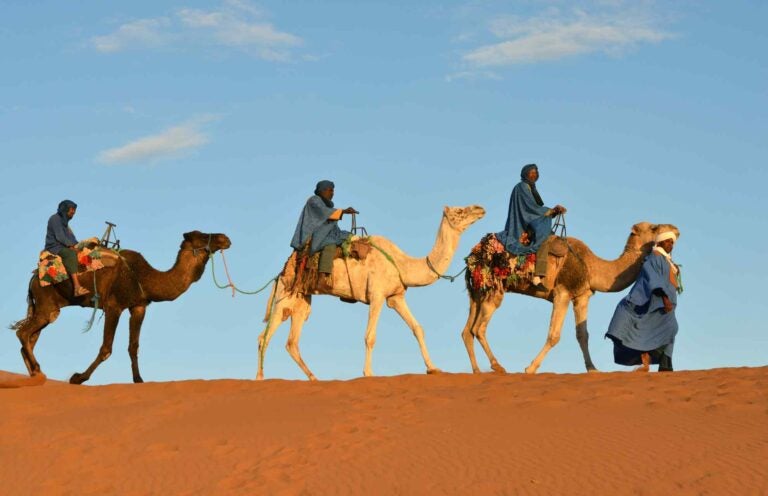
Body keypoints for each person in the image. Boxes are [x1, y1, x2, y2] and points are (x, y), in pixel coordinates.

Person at [605, 229, 682, 372]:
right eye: (667, 241)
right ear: (659, 242)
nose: (670, 244)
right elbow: (652, 278)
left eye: (672, 242)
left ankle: (664, 366)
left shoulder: (667, 261)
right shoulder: (654, 257)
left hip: (666, 306)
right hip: (657, 303)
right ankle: (661, 364)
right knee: (671, 328)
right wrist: (665, 298)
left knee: (668, 331)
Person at [496, 164, 566, 291]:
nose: (534, 175)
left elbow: (535, 210)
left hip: (529, 219)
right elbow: (531, 209)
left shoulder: (530, 188)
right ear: (525, 174)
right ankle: (537, 277)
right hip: (522, 223)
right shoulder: (522, 187)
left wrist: (554, 212)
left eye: (536, 173)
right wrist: (552, 210)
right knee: (544, 238)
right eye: (531, 172)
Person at [290, 180, 358, 288]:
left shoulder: (328, 206)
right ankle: (322, 277)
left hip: (327, 233)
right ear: (322, 191)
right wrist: (343, 211)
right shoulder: (314, 200)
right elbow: (323, 213)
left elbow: (329, 220)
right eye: (330, 190)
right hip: (314, 235)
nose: (332, 193)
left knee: (348, 241)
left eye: (333, 191)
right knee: (330, 245)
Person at [45, 199, 89, 296]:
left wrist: (78, 246)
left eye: (74, 210)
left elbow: (71, 238)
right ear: (65, 209)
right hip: (55, 246)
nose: (73, 212)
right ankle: (77, 287)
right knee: (70, 254)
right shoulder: (54, 219)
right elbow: (60, 237)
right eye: (71, 209)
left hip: (64, 245)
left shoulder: (65, 224)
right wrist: (72, 247)